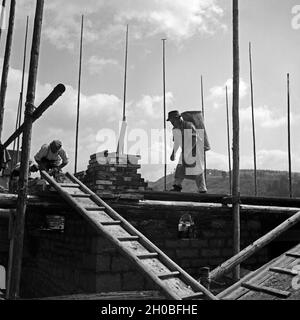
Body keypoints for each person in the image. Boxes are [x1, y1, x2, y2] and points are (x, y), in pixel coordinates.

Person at [168, 110, 207, 193]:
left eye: (172, 120)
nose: (172, 123)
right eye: (171, 121)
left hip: (196, 148)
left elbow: (194, 139)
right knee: (180, 166)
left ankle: (202, 189)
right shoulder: (175, 129)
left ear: (178, 119)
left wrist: (187, 152)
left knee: (198, 168)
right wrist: (173, 153)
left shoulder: (188, 125)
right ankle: (177, 186)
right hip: (186, 149)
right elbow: (177, 142)